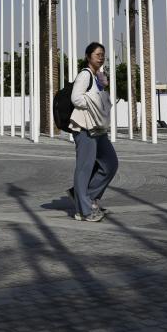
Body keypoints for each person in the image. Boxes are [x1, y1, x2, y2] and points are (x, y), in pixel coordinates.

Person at [66, 42, 118, 222]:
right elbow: (76, 99)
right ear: (88, 57)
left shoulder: (98, 77)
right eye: (97, 54)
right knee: (84, 168)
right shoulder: (85, 75)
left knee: (110, 163)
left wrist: (103, 86)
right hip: (84, 128)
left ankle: (82, 196)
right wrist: (93, 102)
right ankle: (84, 210)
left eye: (103, 54)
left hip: (97, 127)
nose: (101, 57)